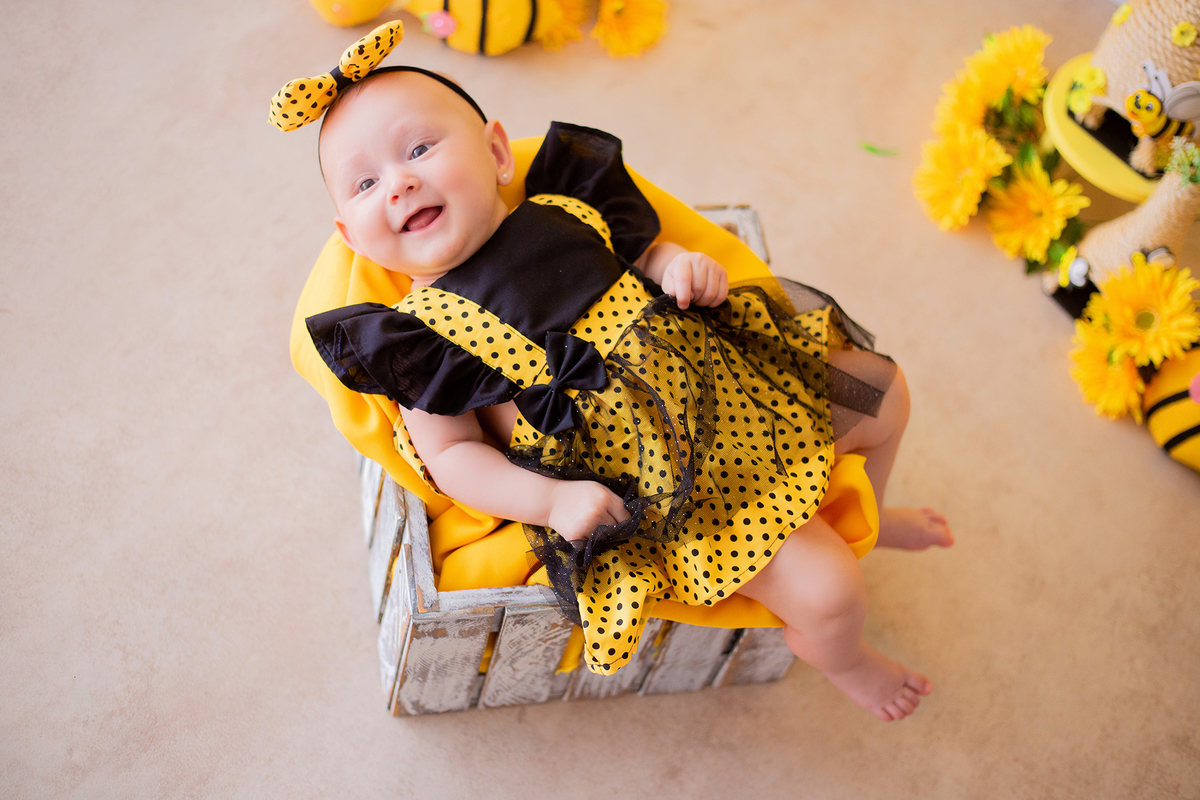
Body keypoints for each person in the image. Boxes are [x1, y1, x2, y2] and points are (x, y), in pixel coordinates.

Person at [285, 43, 953, 721]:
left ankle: (867, 511)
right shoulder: (418, 340)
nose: (398, 183)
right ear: (352, 237)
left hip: (737, 396)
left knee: (884, 394)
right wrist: (551, 501)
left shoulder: (566, 202)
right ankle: (844, 656)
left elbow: (648, 252)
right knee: (831, 590)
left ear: (496, 153)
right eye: (365, 184)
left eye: (420, 148)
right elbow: (454, 457)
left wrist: (680, 266)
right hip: (668, 492)